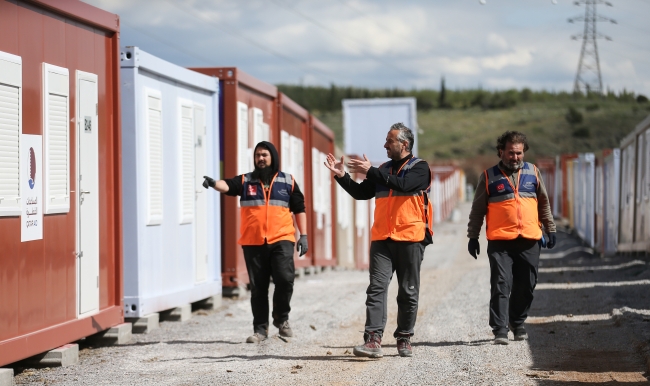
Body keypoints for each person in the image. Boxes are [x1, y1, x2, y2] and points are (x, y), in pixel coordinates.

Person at [324, 122, 433, 358]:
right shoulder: (383, 169)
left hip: (410, 238)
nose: (385, 144)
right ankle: (372, 340)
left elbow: (404, 185)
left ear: (404, 144)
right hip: (382, 238)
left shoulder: (420, 168)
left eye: (389, 141)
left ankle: (404, 337)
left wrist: (371, 171)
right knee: (376, 288)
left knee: (407, 291)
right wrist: (342, 175)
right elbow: (361, 193)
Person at [203, 141, 308, 343]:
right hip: (253, 242)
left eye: (264, 155)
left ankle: (282, 318)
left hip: (282, 239)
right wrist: (214, 183)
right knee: (258, 287)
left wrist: (303, 235)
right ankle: (260, 330)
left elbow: (299, 208)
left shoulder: (288, 181)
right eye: (257, 155)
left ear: (273, 158)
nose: (260, 158)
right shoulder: (246, 181)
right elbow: (228, 185)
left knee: (285, 280)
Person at [467, 131, 556, 345]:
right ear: (501, 152)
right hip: (500, 241)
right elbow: (478, 210)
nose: (515, 157)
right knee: (501, 283)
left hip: (529, 238)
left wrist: (550, 229)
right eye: (510, 153)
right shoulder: (488, 177)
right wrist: (473, 236)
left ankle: (517, 322)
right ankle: (499, 329)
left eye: (519, 153)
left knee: (527, 284)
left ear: (523, 152)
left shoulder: (533, 172)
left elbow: (543, 203)